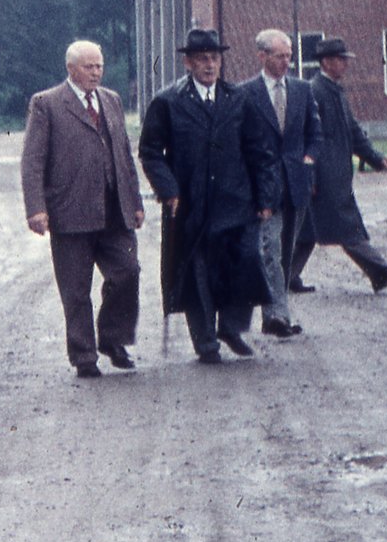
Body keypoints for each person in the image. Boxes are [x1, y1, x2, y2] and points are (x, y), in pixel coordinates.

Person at [137, 28, 281, 364]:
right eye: (202, 58)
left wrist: (265, 198)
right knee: (197, 274)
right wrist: (169, 189)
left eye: (215, 58)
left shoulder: (238, 99)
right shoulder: (168, 102)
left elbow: (260, 151)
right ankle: (205, 342)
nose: (210, 64)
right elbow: (150, 152)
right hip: (192, 206)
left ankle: (231, 327)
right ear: (187, 62)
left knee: (244, 262)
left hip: (237, 202)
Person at [20, 39, 146, 377]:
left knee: (127, 272)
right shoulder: (47, 104)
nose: (96, 72)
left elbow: (123, 154)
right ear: (71, 69)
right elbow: (32, 160)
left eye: (99, 66)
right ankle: (84, 356)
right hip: (69, 212)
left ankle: (113, 338)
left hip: (113, 211)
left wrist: (134, 200)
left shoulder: (113, 101)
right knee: (75, 290)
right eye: (89, 67)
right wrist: (36, 207)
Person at [291, 37, 387, 293]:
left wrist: (376, 158)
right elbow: (304, 138)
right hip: (324, 176)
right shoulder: (314, 91)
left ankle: (286, 277)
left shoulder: (335, 91)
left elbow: (352, 132)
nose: (346, 64)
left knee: (307, 229)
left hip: (336, 174)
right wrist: (309, 177)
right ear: (326, 62)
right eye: (341, 59)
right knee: (347, 226)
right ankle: (379, 272)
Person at [237, 28, 324, 339]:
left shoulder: (302, 90)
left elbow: (315, 134)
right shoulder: (246, 94)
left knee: (286, 253)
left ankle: (275, 311)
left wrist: (309, 159)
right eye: (280, 56)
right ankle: (278, 316)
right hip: (263, 187)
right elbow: (240, 142)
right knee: (269, 249)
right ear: (262, 56)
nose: (287, 61)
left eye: (289, 56)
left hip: (297, 183)